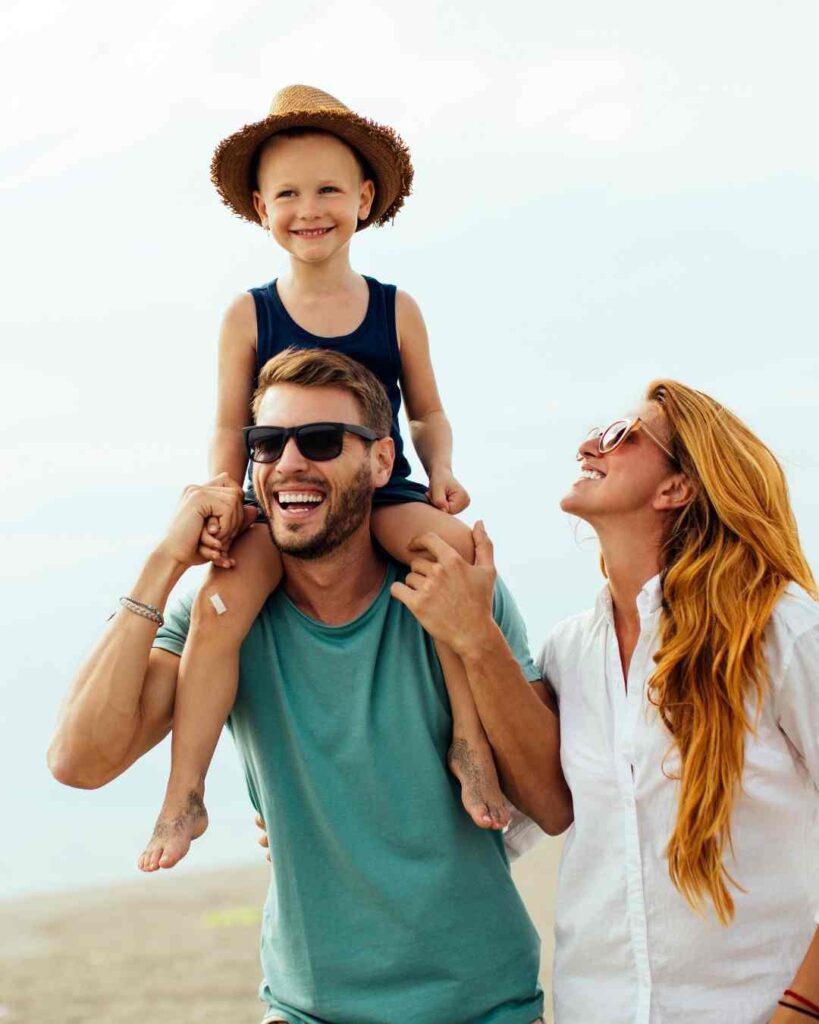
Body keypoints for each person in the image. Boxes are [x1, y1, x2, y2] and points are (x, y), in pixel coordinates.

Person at [48, 347, 571, 1024]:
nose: (289, 462)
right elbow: (79, 761)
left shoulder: (452, 588)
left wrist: (475, 636)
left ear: (381, 462)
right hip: (306, 1011)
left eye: (321, 441)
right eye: (267, 444)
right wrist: (162, 562)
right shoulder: (221, 616)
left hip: (485, 1006)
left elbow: (552, 805)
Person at [140, 83, 509, 873]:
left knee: (449, 551)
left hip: (382, 493)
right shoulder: (249, 313)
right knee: (218, 602)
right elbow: (229, 422)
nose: (310, 209)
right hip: (283, 501)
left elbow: (427, 412)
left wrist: (441, 470)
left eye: (329, 190)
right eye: (288, 194)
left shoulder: (393, 306)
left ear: (365, 199)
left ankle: (470, 743)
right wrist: (219, 489)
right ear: (258, 205)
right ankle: (185, 792)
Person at [395, 380, 819, 1024]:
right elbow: (524, 815)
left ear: (676, 488)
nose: (589, 443)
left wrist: (803, 1008)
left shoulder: (783, 634)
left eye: (621, 434)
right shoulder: (570, 650)